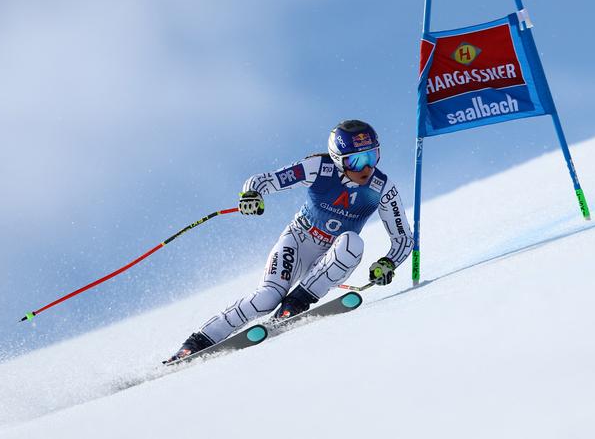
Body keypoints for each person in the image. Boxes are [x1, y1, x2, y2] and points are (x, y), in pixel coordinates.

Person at [165, 120, 413, 363]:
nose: (366, 168)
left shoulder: (382, 188)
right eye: (356, 160)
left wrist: (388, 262)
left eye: (372, 157)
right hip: (297, 241)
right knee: (266, 298)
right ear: (338, 158)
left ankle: (296, 303)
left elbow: (402, 239)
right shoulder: (320, 168)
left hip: (330, 258)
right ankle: (196, 343)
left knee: (352, 243)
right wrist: (252, 194)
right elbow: (264, 180)